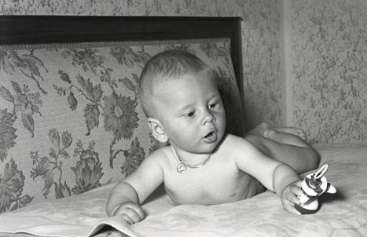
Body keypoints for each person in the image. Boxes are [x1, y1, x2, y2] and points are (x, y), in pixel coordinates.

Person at [106, 49, 320, 224]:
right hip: (246, 142)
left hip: (259, 149)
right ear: (160, 130)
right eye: (191, 113)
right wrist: (120, 205)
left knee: (310, 157)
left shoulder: (236, 150)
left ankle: (269, 134)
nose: (208, 117)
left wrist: (287, 186)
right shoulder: (162, 163)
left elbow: (274, 171)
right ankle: (260, 131)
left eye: (212, 104)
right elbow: (128, 188)